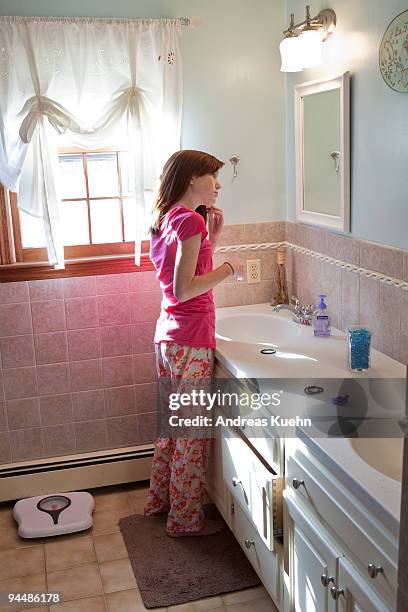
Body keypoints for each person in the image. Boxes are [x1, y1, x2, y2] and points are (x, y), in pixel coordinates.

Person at [143, 149, 243, 537]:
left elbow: (179, 278)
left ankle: (160, 501)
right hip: (190, 339)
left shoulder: (169, 216)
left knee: (173, 426)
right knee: (192, 433)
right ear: (190, 179)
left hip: (168, 337)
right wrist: (228, 269)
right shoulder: (189, 221)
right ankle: (184, 522)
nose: (218, 185)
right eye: (212, 177)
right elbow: (186, 289)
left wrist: (211, 241)